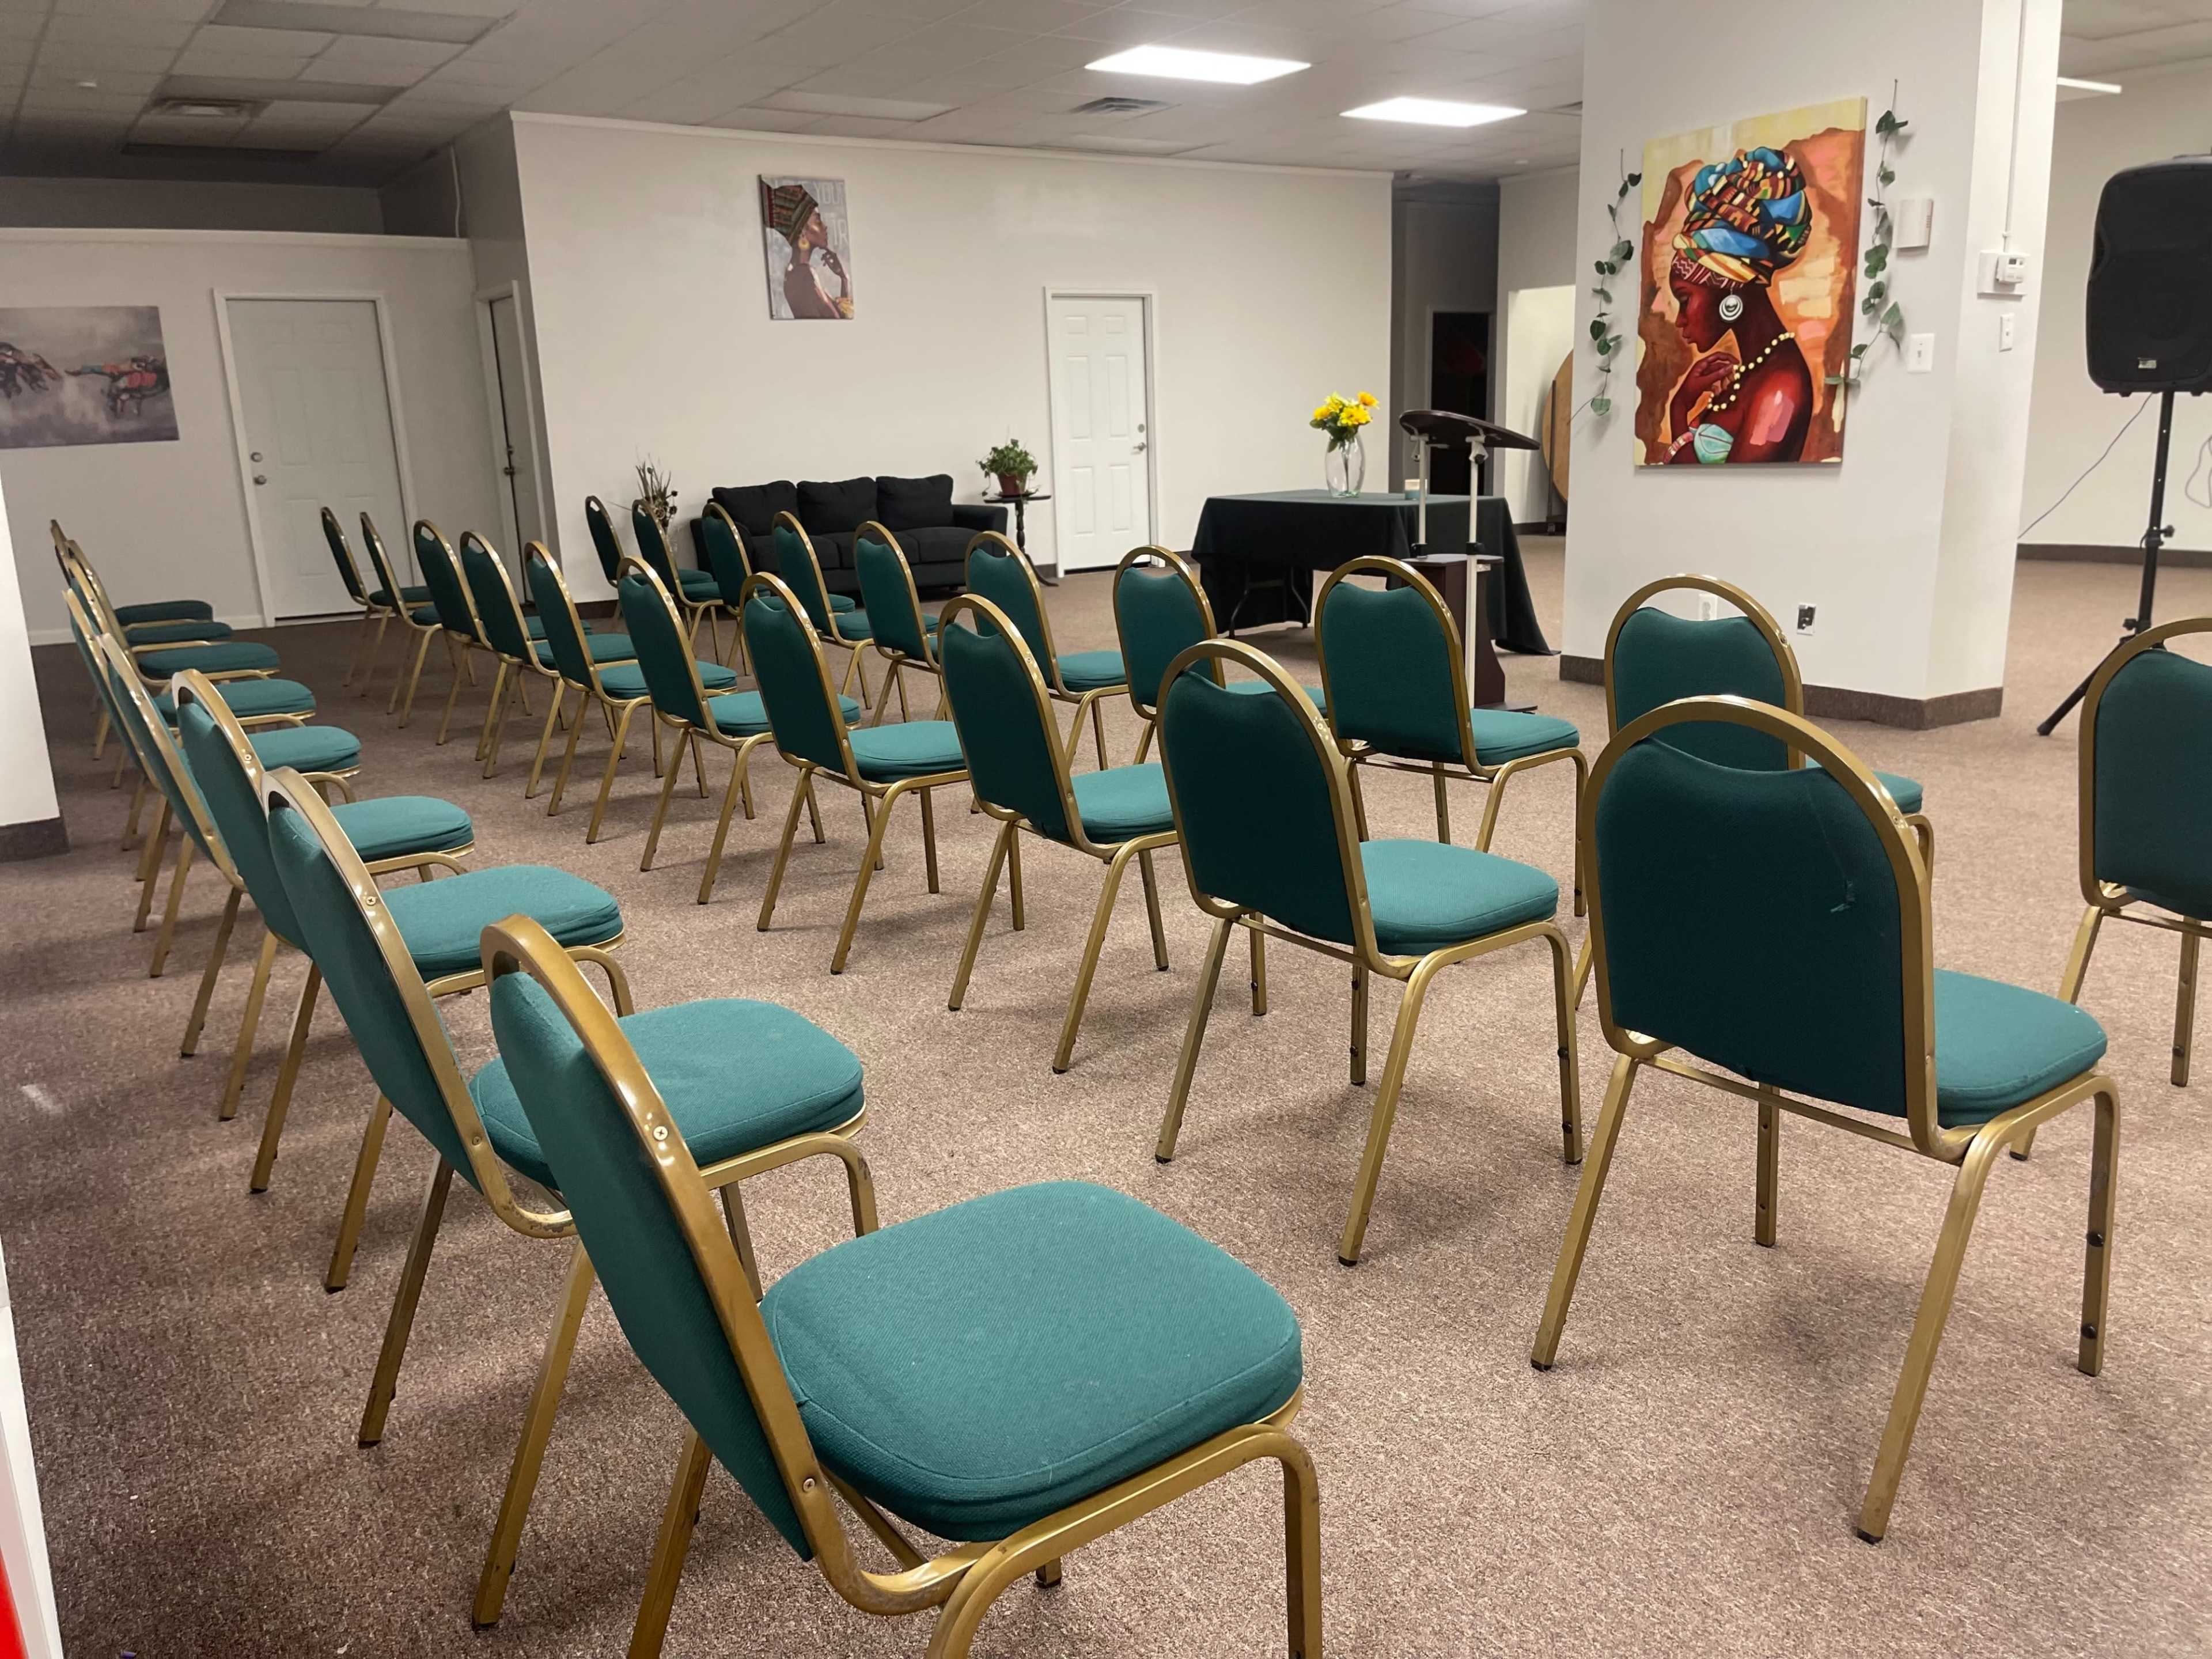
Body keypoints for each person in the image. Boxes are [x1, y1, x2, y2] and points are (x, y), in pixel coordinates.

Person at [1660, 146, 1814, 466]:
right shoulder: (1753, 373)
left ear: (1729, 287)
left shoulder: (1781, 388)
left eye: (1686, 300)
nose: (1680, 320)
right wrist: (1681, 404)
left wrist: (1679, 414)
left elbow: (1725, 493)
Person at [764, 182, 853, 321]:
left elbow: (842, 321)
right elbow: (840, 327)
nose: (825, 226)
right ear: (803, 232)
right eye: (818, 221)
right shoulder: (804, 275)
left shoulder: (798, 273)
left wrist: (844, 279)